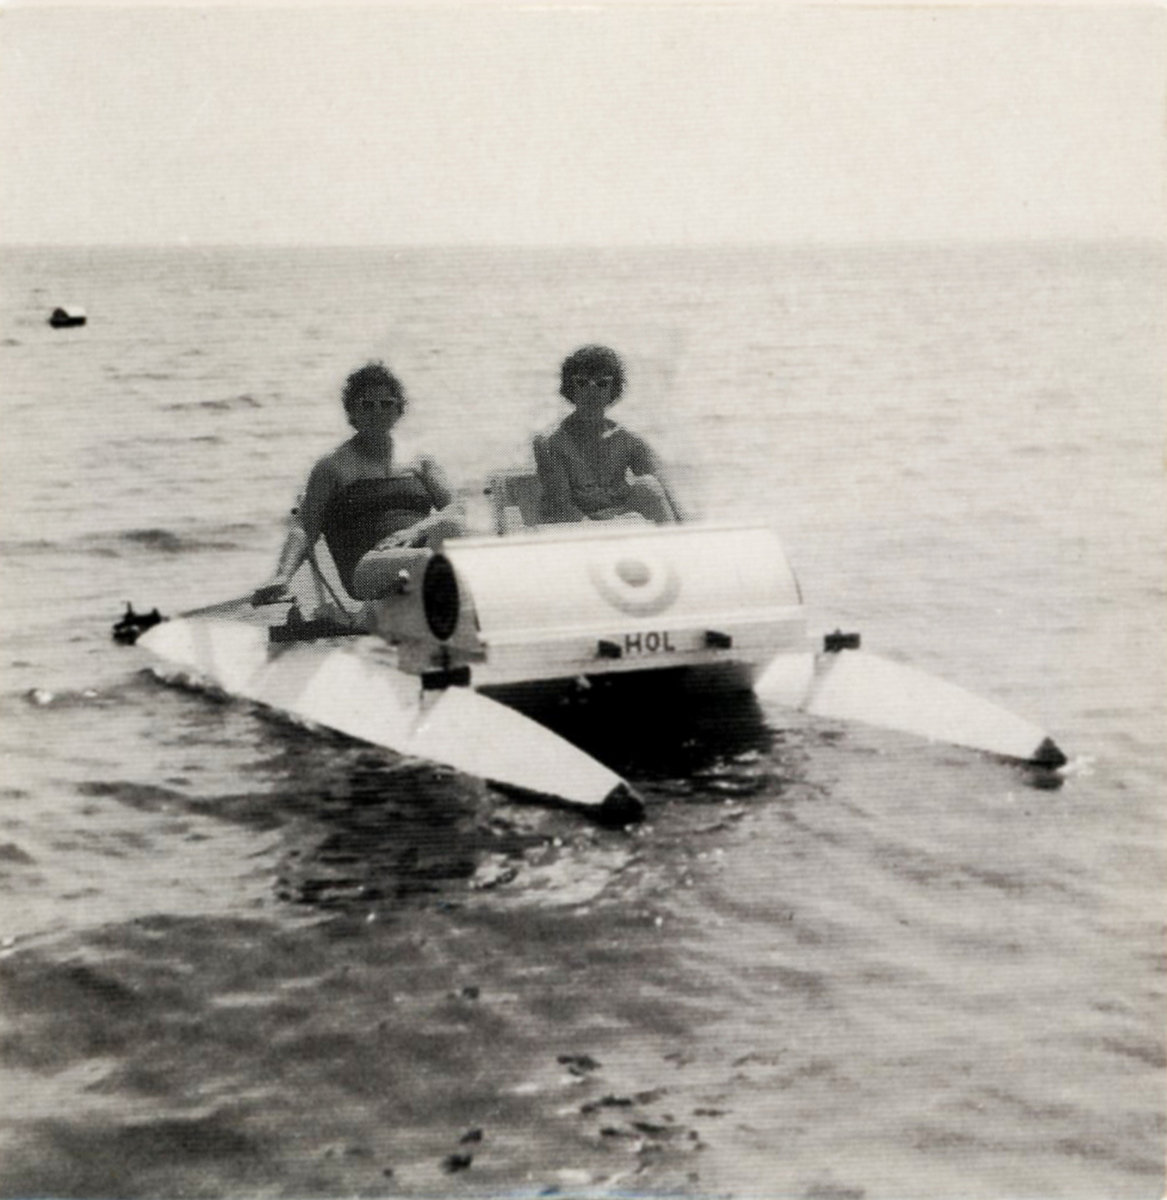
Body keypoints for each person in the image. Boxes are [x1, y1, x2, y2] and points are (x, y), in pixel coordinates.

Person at [252, 361, 462, 604]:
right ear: (351, 413)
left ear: (399, 410)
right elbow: (305, 527)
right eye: (367, 405)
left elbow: (456, 508)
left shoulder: (420, 460)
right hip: (369, 564)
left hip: (419, 548)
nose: (377, 412)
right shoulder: (332, 466)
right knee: (428, 560)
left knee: (453, 527)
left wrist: (415, 531)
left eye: (386, 404)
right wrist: (282, 576)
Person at [533, 344, 686, 524]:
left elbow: (663, 493)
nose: (591, 391)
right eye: (582, 383)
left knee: (648, 486)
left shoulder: (626, 440)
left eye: (602, 383)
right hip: (572, 526)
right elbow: (562, 506)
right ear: (570, 387)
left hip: (615, 519)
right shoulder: (550, 443)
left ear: (613, 389)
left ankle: (682, 539)